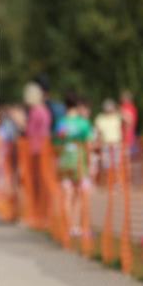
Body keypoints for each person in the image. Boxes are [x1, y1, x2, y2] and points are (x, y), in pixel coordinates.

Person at [53, 93, 94, 237]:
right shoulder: (83, 123)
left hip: (64, 162)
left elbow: (56, 145)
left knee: (67, 194)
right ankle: (76, 226)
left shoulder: (60, 123)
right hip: (79, 163)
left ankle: (69, 227)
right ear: (77, 105)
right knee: (80, 195)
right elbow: (88, 145)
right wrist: (89, 163)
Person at [94, 98, 124, 175]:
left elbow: (129, 120)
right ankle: (108, 179)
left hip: (116, 143)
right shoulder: (100, 118)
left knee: (117, 164)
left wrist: (120, 110)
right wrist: (97, 142)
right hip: (105, 144)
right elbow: (97, 132)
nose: (109, 109)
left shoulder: (117, 116)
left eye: (111, 107)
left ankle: (117, 179)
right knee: (106, 165)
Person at [119, 89, 138, 155]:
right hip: (123, 136)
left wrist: (122, 114)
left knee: (125, 157)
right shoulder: (125, 107)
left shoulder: (129, 108)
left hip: (127, 136)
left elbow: (130, 120)